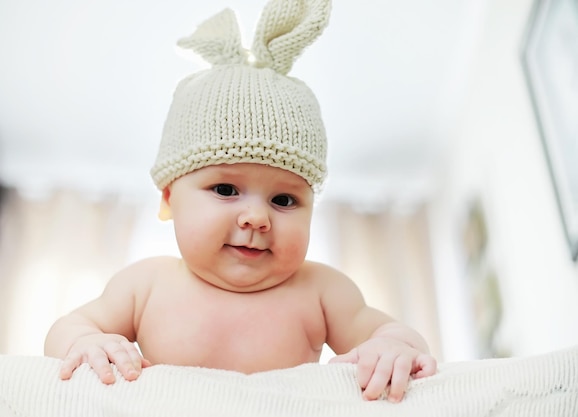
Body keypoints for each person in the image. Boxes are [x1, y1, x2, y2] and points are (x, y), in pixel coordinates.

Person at [44, 0, 437, 402]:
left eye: (284, 199)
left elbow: (397, 335)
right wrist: (90, 343)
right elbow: (70, 327)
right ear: (168, 198)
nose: (256, 217)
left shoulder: (321, 291)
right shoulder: (145, 285)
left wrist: (392, 347)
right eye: (226, 190)